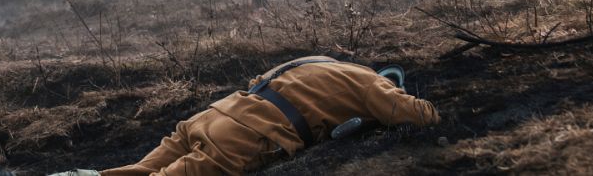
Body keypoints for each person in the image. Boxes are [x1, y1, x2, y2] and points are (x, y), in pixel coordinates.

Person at [48, 55, 439, 176]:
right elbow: (421, 117)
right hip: (244, 138)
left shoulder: (317, 61)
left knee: (132, 171)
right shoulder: (371, 86)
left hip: (210, 116)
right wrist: (380, 110)